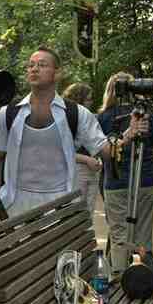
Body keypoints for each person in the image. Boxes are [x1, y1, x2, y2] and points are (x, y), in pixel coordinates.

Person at [0, 46, 135, 218]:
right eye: (31, 65)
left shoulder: (77, 114)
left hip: (60, 209)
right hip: (13, 207)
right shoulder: (7, 113)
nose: (34, 68)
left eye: (42, 65)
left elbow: (106, 152)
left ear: (57, 73)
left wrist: (130, 133)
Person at [97, 72, 153, 282]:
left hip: (116, 184)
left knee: (118, 235)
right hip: (147, 181)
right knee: (143, 234)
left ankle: (120, 277)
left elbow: (101, 151)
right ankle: (145, 278)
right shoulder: (146, 116)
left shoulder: (104, 117)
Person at [62, 82, 102, 217]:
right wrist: (86, 159)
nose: (91, 102)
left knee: (88, 212)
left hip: (92, 169)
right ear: (79, 98)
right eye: (88, 99)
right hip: (76, 169)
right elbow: (60, 151)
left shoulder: (89, 117)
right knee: (75, 211)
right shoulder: (66, 116)